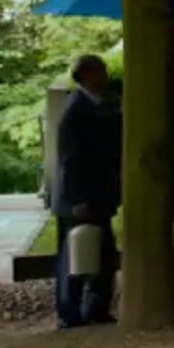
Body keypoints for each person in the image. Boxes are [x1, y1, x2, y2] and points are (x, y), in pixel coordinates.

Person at [52, 54, 122, 330]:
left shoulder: (96, 105)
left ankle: (96, 308)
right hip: (81, 197)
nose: (104, 76)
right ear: (87, 75)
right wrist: (77, 199)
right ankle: (70, 312)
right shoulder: (77, 111)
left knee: (102, 254)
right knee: (75, 255)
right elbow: (70, 160)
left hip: (98, 195)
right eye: (99, 71)